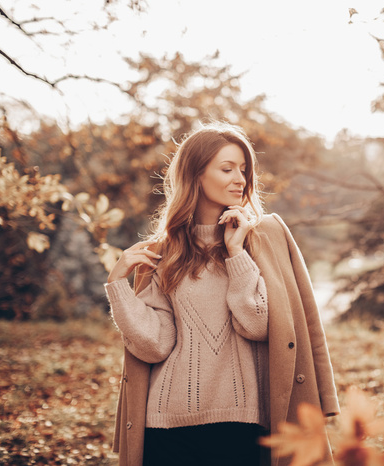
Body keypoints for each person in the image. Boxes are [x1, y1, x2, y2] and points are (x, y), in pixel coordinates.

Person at [105, 121, 340, 466]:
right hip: (166, 425)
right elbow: (155, 344)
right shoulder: (163, 251)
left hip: (241, 423)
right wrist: (117, 286)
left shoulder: (264, 237)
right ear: (195, 175)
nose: (240, 179)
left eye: (243, 170)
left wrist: (236, 254)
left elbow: (258, 325)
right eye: (227, 168)